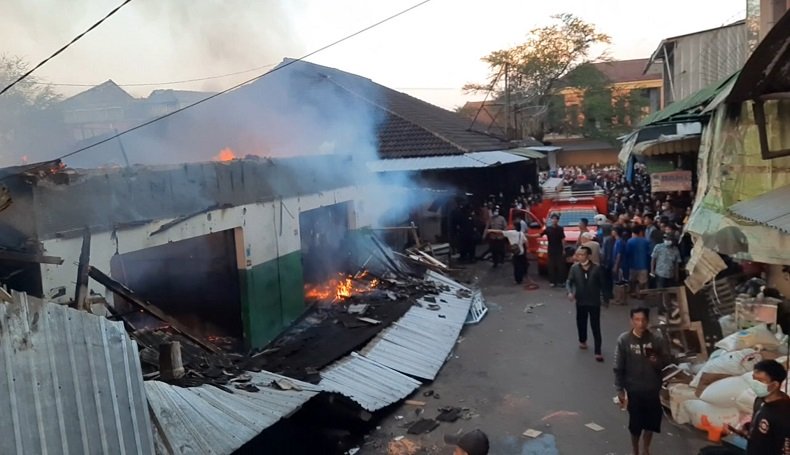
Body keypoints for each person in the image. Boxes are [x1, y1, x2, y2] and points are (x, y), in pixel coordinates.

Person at [699, 360, 790, 455]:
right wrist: (742, 431)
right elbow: (759, 432)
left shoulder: (784, 413)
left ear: (774, 385)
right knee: (706, 452)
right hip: (751, 450)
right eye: (754, 379)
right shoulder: (760, 400)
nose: (754, 384)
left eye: (760, 381)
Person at [613, 307, 670, 455]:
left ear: (648, 321)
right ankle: (635, 450)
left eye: (643, 320)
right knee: (635, 425)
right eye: (637, 320)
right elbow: (618, 366)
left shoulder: (656, 340)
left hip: (652, 390)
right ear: (631, 321)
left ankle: (646, 449)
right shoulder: (624, 340)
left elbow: (666, 362)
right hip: (634, 390)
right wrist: (619, 389)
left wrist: (656, 361)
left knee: (650, 424)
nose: (640, 323)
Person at [566, 246, 605, 362]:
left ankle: (598, 351)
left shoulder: (597, 268)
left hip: (594, 301)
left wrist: (605, 298)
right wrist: (570, 292)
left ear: (588, 256)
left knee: (595, 325)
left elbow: (603, 284)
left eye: (582, 254)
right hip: (581, 300)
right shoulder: (574, 268)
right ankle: (582, 340)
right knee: (581, 322)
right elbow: (569, 281)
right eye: (578, 254)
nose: (579, 257)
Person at [625, 225, 651, 297]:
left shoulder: (629, 241)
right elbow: (649, 253)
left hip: (632, 264)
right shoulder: (646, 241)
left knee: (632, 280)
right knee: (642, 281)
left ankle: (633, 292)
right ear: (640, 232)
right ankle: (640, 293)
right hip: (643, 264)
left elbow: (627, 253)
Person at [541, 214, 566, 287]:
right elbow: (540, 234)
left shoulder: (560, 228)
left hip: (559, 249)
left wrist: (563, 249)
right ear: (551, 220)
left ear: (558, 220)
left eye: (556, 219)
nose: (554, 220)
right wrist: (528, 235)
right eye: (553, 219)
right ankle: (552, 281)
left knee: (560, 266)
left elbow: (563, 239)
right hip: (551, 249)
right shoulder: (548, 229)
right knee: (551, 266)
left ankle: (561, 281)